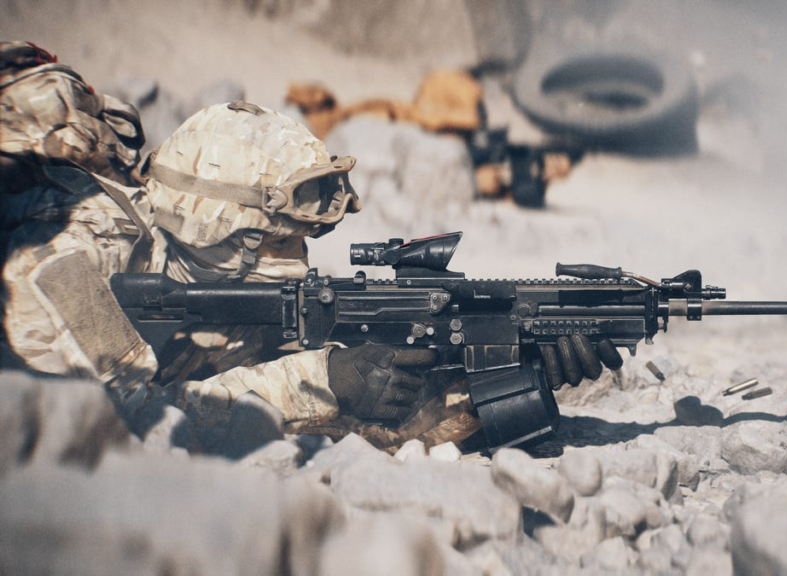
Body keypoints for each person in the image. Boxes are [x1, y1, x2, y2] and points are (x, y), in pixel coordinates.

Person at [2, 46, 617, 451]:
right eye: (276, 242)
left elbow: (356, 419)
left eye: (304, 241)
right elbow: (130, 435)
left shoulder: (217, 280)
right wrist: (320, 380)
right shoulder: (59, 261)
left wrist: (515, 374)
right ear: (216, 227)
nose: (296, 266)